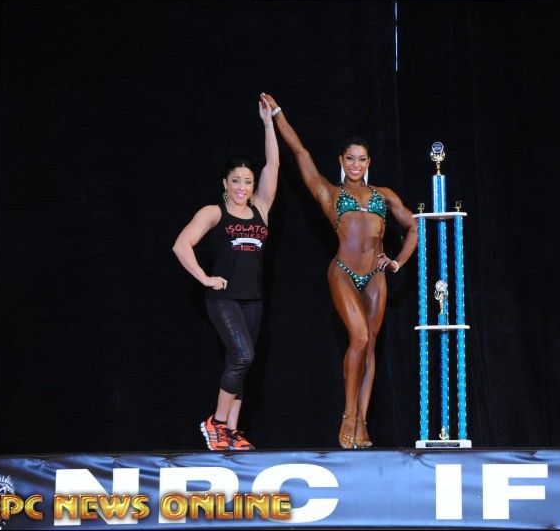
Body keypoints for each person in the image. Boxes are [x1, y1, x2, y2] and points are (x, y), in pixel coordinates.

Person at [263, 93, 417, 449]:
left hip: (375, 276)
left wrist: (397, 262)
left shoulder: (384, 195)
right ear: (341, 161)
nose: (356, 164)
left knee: (370, 347)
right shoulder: (329, 193)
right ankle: (348, 414)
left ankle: (362, 423)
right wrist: (278, 113)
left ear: (369, 162)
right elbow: (301, 153)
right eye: (350, 158)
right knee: (359, 338)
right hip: (343, 271)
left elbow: (414, 227)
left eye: (361, 159)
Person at [172, 94, 278, 451]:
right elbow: (181, 245)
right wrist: (204, 278)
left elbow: (273, 164)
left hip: (253, 299)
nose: (242, 187)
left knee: (241, 363)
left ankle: (231, 432)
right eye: (236, 181)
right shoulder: (214, 212)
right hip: (224, 298)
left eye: (247, 181)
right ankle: (216, 423)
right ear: (225, 184)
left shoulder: (261, 208)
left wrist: (268, 123)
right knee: (243, 356)